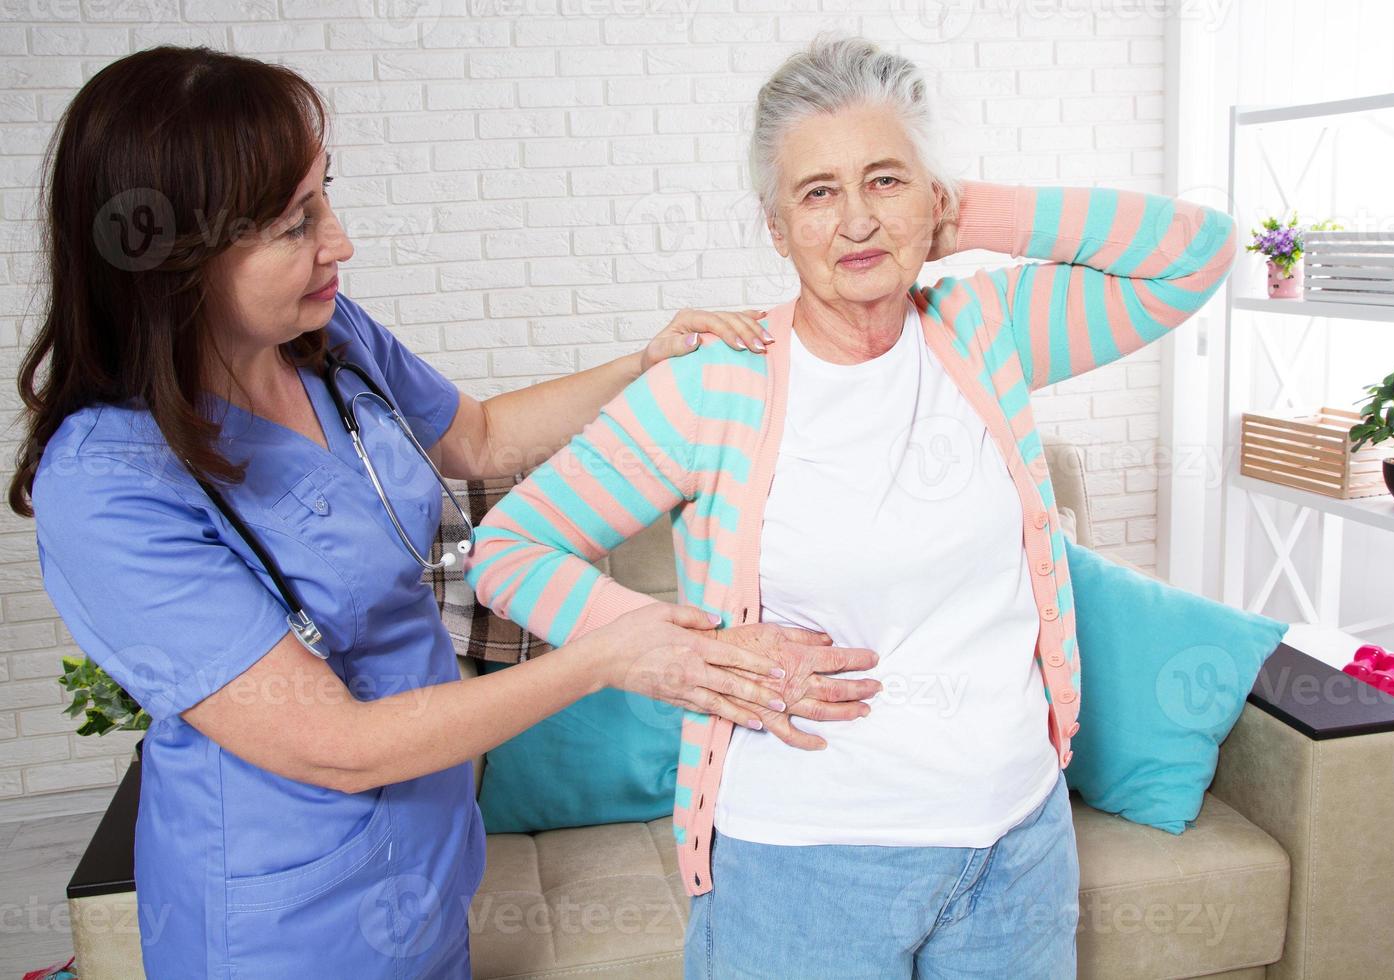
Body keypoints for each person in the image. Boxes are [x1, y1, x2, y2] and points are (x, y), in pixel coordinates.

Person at [13, 46, 878, 977]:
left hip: (426, 865)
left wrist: (647, 361)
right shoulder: (109, 484)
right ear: (175, 257)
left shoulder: (324, 336)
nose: (337, 241)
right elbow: (336, 748)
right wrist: (608, 657)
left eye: (325, 194)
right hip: (279, 923)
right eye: (293, 222)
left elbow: (481, 437)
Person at [464, 34, 1238, 979]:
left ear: (932, 197)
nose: (857, 221)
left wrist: (972, 215)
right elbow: (507, 547)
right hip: (801, 868)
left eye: (887, 180)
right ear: (776, 226)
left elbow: (1194, 256)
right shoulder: (712, 386)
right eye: (819, 192)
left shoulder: (987, 333)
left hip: (1018, 847)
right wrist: (688, 654)